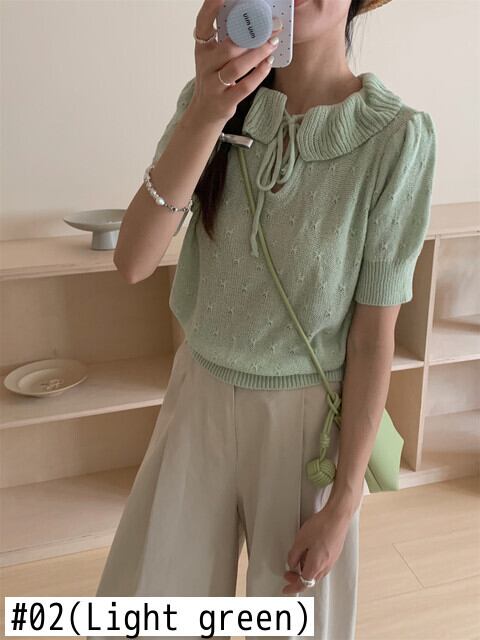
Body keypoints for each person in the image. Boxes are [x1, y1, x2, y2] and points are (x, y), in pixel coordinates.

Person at [88, 0, 436, 638]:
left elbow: (373, 336)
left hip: (306, 427)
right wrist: (207, 111)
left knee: (294, 620)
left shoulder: (397, 139)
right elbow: (134, 260)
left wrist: (344, 502)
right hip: (197, 394)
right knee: (155, 608)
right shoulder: (212, 100)